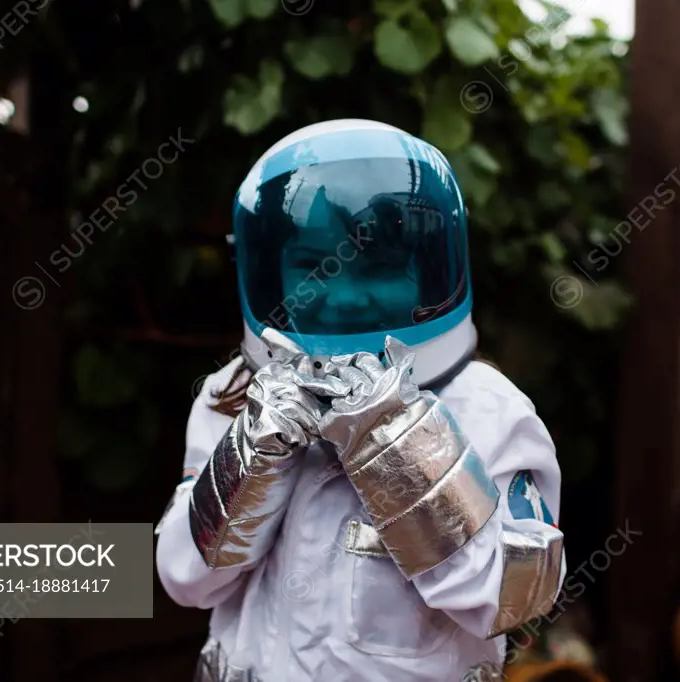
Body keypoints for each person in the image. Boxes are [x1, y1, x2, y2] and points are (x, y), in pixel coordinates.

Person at [155, 119, 566, 682]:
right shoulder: (230, 396)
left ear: (430, 268)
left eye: (379, 264)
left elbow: (512, 604)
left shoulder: (490, 411)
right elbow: (184, 581)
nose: (343, 295)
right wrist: (254, 453)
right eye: (311, 264)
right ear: (268, 269)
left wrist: (398, 444)